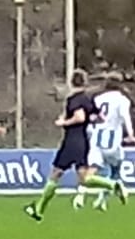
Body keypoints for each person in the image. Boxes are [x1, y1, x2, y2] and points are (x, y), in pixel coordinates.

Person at [25, 69, 123, 220]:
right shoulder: (88, 99)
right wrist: (89, 120)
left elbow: (80, 117)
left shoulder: (74, 99)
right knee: (84, 178)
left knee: (55, 174)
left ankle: (39, 209)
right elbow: (101, 118)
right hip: (84, 141)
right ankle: (112, 185)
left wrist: (63, 122)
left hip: (71, 141)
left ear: (71, 81)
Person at [77, 75, 135, 211]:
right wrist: (131, 134)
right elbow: (125, 117)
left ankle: (83, 196)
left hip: (97, 139)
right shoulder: (122, 100)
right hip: (112, 140)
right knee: (116, 170)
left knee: (91, 172)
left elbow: (92, 118)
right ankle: (110, 191)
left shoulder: (98, 99)